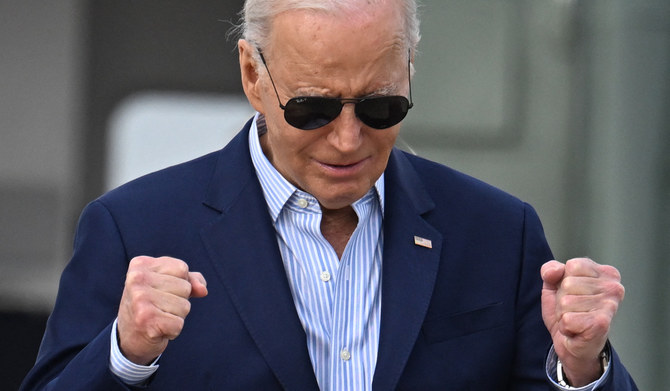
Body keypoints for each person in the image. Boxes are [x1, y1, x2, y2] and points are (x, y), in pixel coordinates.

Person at [21, 0, 638, 390]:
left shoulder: (499, 232)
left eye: (380, 105)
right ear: (251, 75)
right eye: (313, 107)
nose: (348, 140)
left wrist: (581, 369)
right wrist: (126, 355)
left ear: (411, 68)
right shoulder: (133, 227)